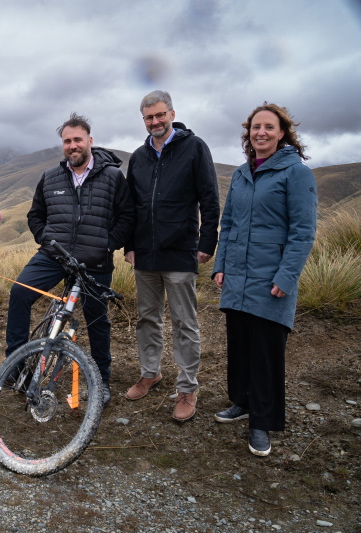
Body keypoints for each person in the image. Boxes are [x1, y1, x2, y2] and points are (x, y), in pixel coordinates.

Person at [5, 113, 135, 406]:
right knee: (19, 292)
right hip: (54, 256)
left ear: (90, 141)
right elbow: (35, 215)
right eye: (67, 141)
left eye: (78, 139)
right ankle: (16, 366)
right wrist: (46, 239)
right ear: (62, 145)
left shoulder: (113, 176)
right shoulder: (51, 177)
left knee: (97, 320)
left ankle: (101, 379)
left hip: (94, 260)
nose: (72, 145)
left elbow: (127, 216)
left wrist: (107, 245)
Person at [212, 103, 317, 457]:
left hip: (271, 279)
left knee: (265, 353)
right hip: (237, 278)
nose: (261, 133)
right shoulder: (242, 174)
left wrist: (286, 276)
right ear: (249, 133)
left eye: (269, 128)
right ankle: (241, 402)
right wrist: (220, 265)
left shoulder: (296, 173)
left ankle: (262, 422)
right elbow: (228, 225)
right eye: (256, 127)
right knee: (240, 345)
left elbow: (303, 232)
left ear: (282, 133)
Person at [123, 90, 220, 422]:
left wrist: (207, 242)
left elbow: (209, 197)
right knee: (147, 319)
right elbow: (132, 207)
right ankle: (150, 373)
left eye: (160, 115)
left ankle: (187, 388)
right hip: (145, 255)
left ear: (172, 113)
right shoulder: (138, 156)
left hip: (180, 251)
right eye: (149, 117)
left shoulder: (195, 148)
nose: (155, 122)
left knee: (184, 323)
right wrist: (129, 246)